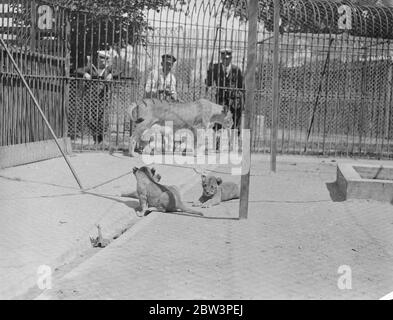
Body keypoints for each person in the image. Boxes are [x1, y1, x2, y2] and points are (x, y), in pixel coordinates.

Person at [75, 49, 121, 144]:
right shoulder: (91, 68)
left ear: (107, 59)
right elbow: (77, 70)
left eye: (104, 58)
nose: (102, 60)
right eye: (100, 57)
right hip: (90, 97)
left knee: (102, 118)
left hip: (103, 98)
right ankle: (97, 137)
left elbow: (120, 71)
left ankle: (100, 139)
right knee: (88, 118)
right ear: (97, 58)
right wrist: (85, 73)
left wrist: (111, 75)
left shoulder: (109, 68)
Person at [206, 48, 244, 130]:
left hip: (234, 100)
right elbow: (209, 84)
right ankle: (217, 140)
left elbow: (241, 87)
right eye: (223, 58)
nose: (225, 60)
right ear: (221, 58)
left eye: (227, 58)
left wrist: (241, 102)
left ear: (231, 58)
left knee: (235, 124)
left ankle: (234, 139)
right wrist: (209, 72)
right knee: (218, 123)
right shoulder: (215, 68)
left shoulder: (236, 70)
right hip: (221, 99)